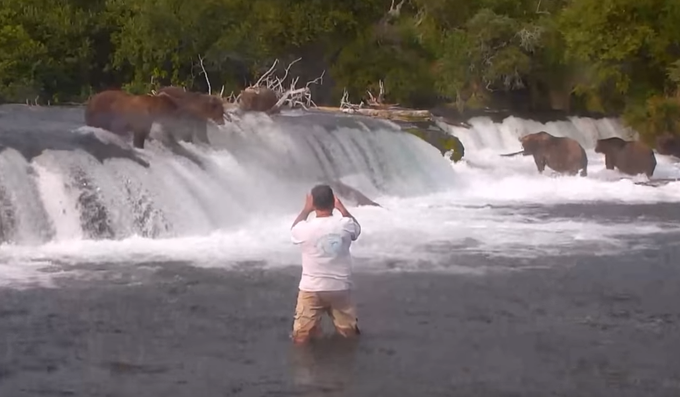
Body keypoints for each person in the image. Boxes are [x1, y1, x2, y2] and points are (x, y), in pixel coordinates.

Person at [289, 184, 362, 344]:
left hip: (311, 288)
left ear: (313, 204)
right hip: (340, 287)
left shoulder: (304, 229)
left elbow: (293, 229)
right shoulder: (345, 225)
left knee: (301, 336)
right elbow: (356, 228)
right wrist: (341, 208)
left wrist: (306, 209)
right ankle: (351, 362)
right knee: (349, 334)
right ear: (333, 202)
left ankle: (303, 364)